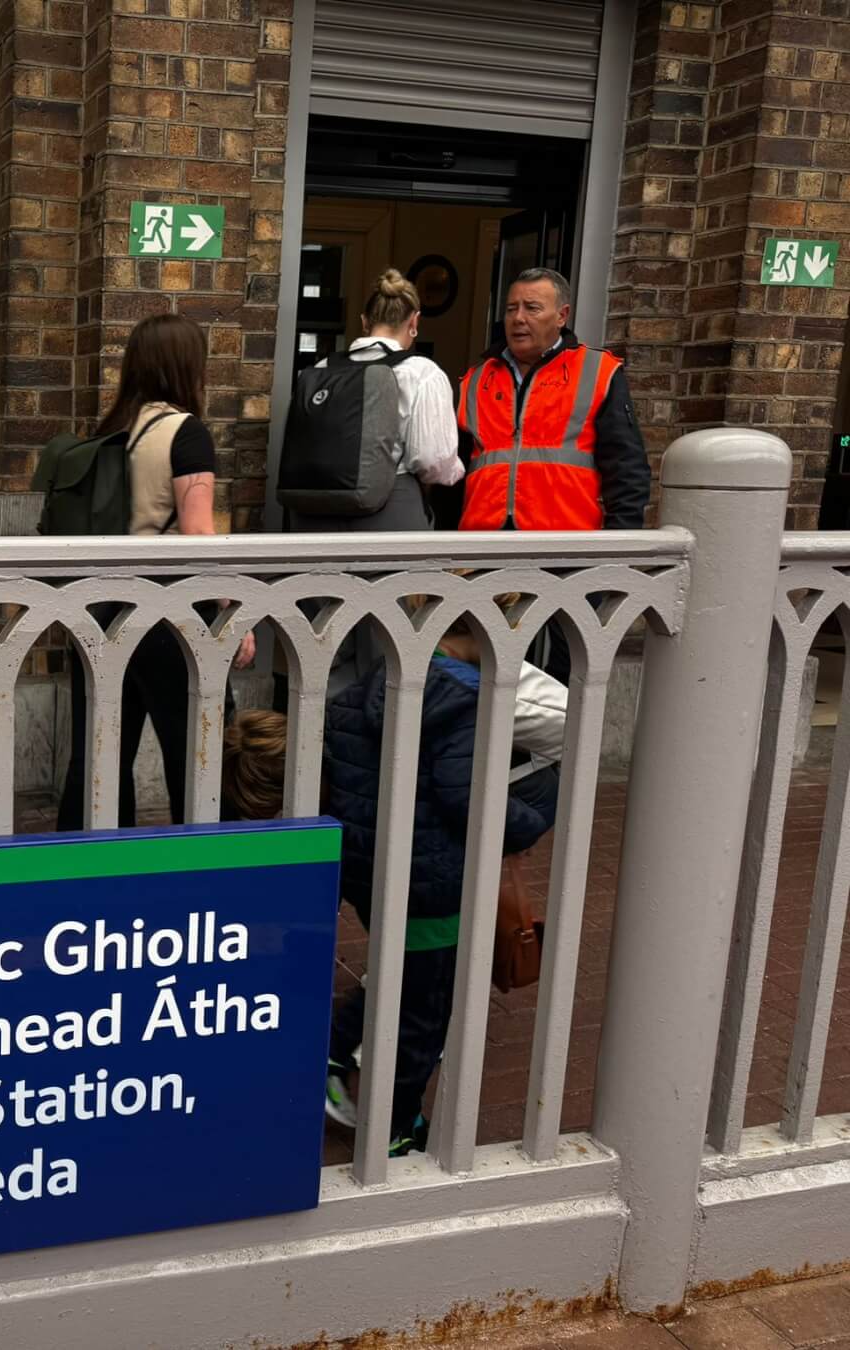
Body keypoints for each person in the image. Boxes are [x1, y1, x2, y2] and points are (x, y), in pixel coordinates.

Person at [219, 605, 567, 1156]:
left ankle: (330, 1048)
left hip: (377, 879)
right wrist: (534, 817)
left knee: (394, 978)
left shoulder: (362, 696)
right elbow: (465, 796)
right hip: (431, 891)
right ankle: (398, 1123)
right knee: (423, 1016)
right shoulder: (455, 701)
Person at [56, 313, 256, 831]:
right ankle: (206, 879)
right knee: (200, 757)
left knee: (99, 762)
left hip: (100, 612)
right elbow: (197, 532)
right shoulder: (185, 433)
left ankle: (90, 874)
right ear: (187, 368)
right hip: (168, 617)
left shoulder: (108, 434)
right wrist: (236, 612)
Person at [457, 268, 651, 682]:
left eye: (532, 308)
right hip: (487, 546)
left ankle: (561, 748)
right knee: (488, 663)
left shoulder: (597, 372)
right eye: (511, 308)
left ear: (561, 315)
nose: (518, 318)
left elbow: (628, 469)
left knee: (570, 667)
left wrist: (619, 553)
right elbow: (457, 469)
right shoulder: (476, 378)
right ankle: (503, 749)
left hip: (571, 546)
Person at [285, 268, 464, 534]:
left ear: (364, 321)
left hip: (311, 512)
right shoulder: (421, 372)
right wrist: (456, 472)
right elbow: (430, 460)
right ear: (414, 322)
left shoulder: (323, 368)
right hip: (389, 509)